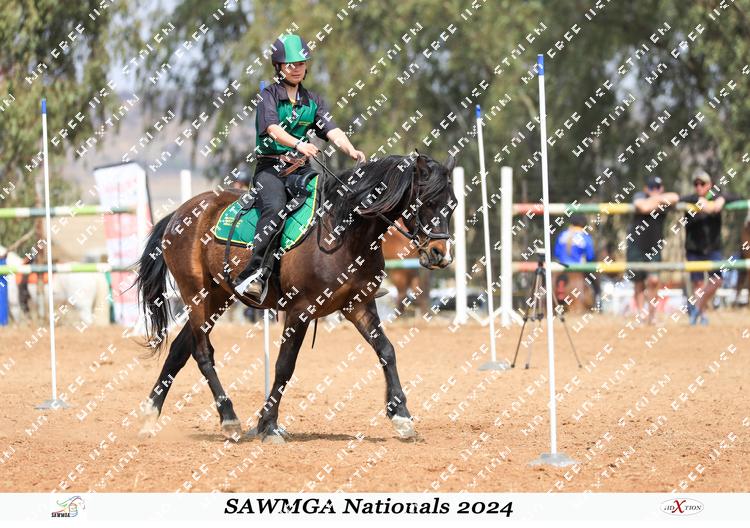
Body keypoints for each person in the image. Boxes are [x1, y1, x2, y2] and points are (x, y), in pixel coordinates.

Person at [233, 34, 366, 300]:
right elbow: (273, 130)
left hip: (301, 170)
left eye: (301, 63)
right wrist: (299, 144)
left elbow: (332, 130)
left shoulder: (313, 101)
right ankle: (254, 274)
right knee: (275, 208)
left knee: (337, 202)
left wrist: (350, 149)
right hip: (270, 170)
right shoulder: (268, 96)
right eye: (290, 64)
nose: (296, 68)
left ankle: (354, 274)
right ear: (279, 67)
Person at [681, 169, 735, 325]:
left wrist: (722, 199)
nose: (699, 186)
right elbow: (678, 199)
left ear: (710, 185)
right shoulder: (690, 200)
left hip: (713, 248)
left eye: (702, 183)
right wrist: (699, 202)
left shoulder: (718, 198)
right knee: (698, 283)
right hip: (693, 248)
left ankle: (697, 308)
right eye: (696, 184)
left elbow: (736, 197)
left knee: (717, 280)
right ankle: (702, 315)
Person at [626, 175, 679, 324]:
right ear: (646, 189)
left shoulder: (659, 198)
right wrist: (659, 202)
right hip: (636, 245)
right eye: (652, 188)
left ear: (662, 188)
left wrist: (653, 201)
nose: (655, 190)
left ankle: (652, 316)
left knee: (654, 281)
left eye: (658, 187)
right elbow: (643, 207)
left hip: (654, 248)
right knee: (638, 283)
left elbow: (675, 197)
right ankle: (640, 316)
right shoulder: (639, 195)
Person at [553, 214, 596, 312]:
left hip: (560, 268)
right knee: (594, 283)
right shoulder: (585, 237)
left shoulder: (562, 235)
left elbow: (556, 253)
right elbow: (590, 256)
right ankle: (597, 303)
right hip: (577, 268)